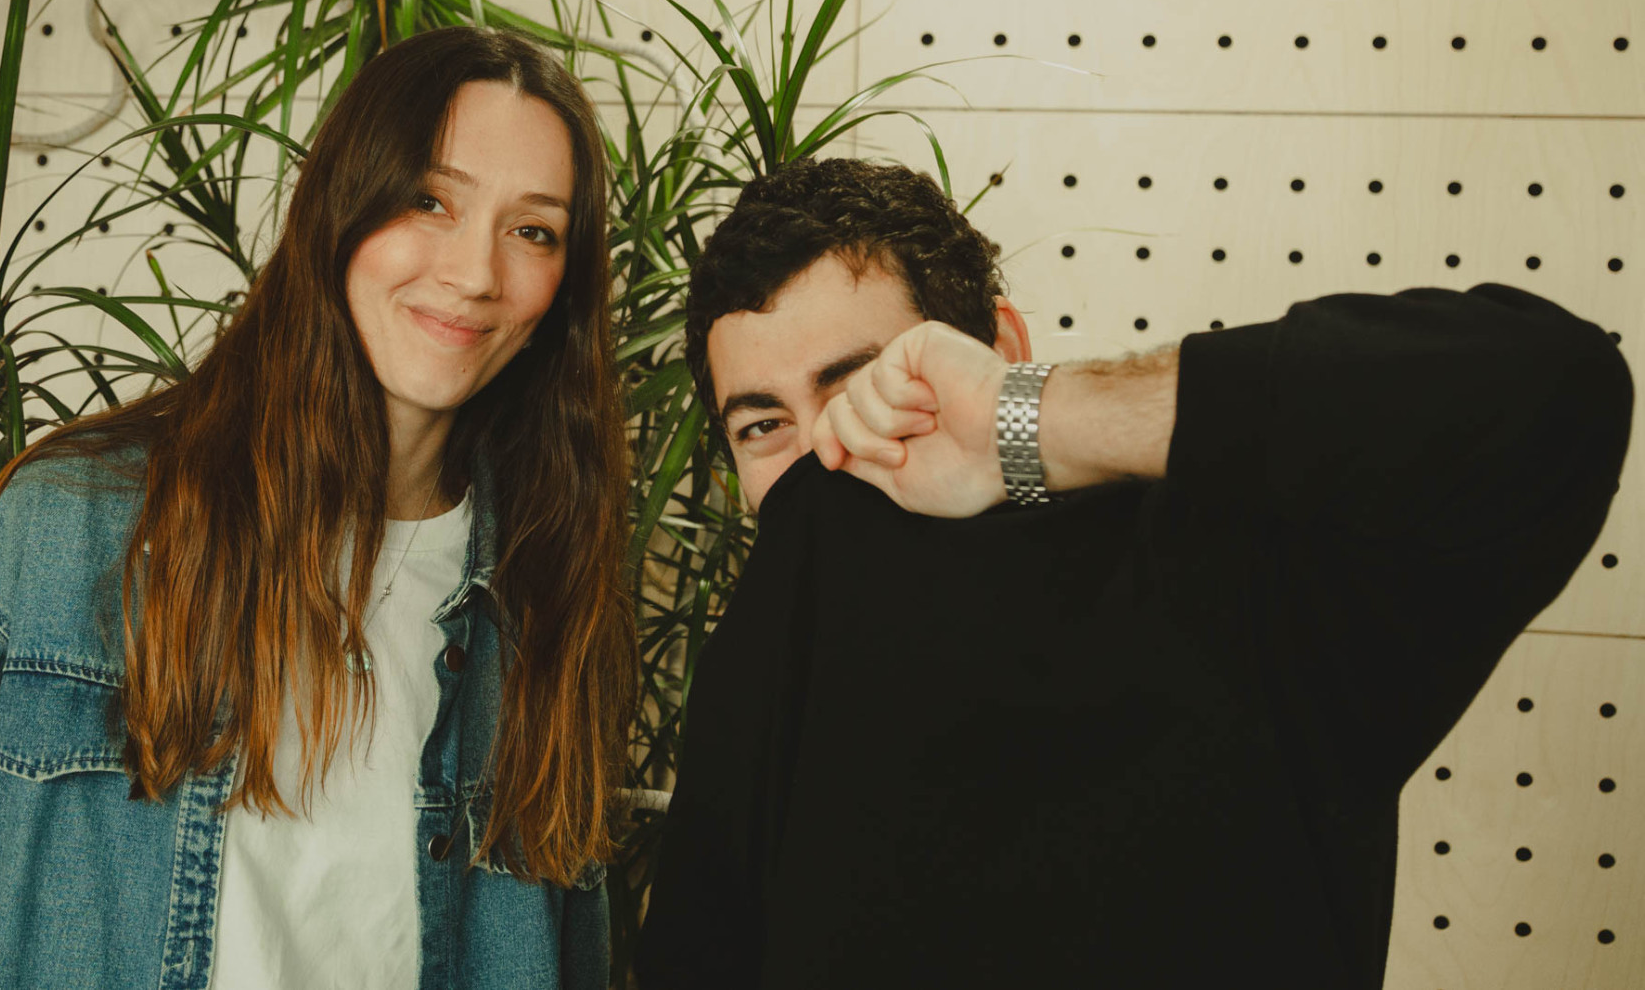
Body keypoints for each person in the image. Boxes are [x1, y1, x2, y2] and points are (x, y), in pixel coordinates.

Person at [636, 157, 1632, 987]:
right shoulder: (766, 655)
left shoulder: (1240, 576)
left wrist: (1035, 419)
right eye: (762, 426)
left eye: (863, 384)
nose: (827, 450)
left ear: (999, 349)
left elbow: (1553, 390)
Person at [0, 26, 636, 990]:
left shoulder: (547, 598)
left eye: (533, 230)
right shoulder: (68, 529)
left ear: (563, 287)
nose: (475, 273)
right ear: (341, 205)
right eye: (429, 200)